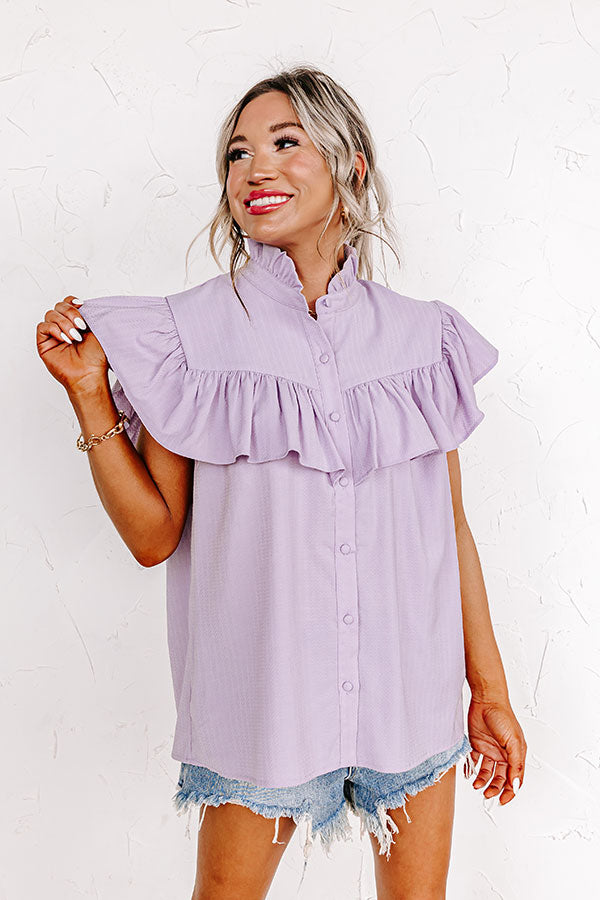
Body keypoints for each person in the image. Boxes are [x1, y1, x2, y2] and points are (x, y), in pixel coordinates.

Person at [36, 66, 527, 900]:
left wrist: (490, 690)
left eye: (285, 142)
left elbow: (450, 529)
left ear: (351, 166)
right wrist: (91, 394)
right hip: (261, 707)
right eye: (238, 153)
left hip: (411, 697)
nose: (255, 168)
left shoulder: (423, 340)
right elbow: (154, 538)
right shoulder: (187, 337)